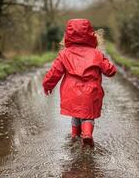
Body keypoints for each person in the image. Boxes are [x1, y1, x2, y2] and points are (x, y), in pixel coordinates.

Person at [42, 19, 117, 147]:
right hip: (91, 92)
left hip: (71, 92)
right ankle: (87, 134)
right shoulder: (97, 54)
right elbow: (110, 71)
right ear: (91, 35)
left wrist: (47, 84)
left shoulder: (64, 54)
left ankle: (74, 136)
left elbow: (55, 72)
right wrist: (108, 64)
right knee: (88, 115)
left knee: (76, 114)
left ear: (67, 36)